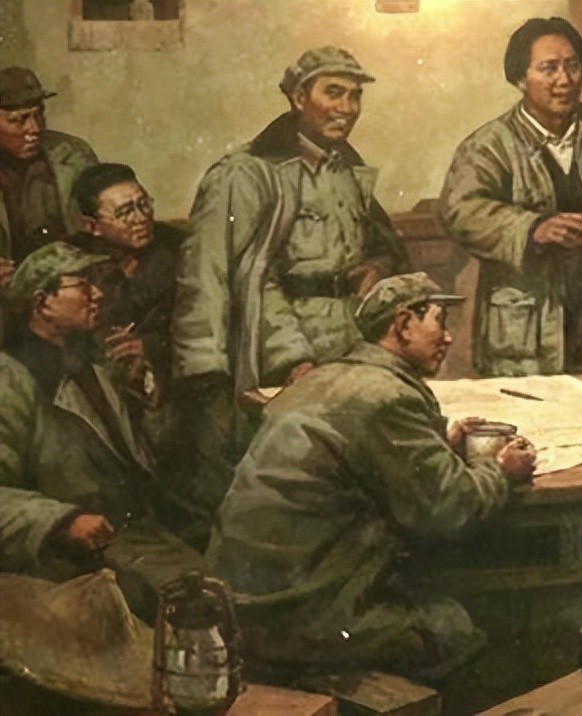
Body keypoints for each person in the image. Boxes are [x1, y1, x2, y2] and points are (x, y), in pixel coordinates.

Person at [207, 272, 538, 691]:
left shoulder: (321, 379)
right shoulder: (389, 397)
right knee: (456, 624)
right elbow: (451, 507)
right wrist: (501, 471)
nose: (449, 337)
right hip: (293, 617)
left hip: (239, 604)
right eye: (439, 321)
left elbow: (364, 451)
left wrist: (439, 441)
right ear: (403, 324)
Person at [170, 46, 407, 522]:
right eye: (333, 93)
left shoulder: (346, 168)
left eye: (355, 96)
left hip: (347, 345)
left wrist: (377, 267)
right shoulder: (247, 172)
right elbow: (219, 276)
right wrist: (287, 359)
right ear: (299, 98)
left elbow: (384, 244)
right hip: (273, 353)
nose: (346, 108)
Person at [441, 16, 582, 376]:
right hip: (525, 332)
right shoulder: (489, 145)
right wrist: (532, 229)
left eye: (573, 66)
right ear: (520, 79)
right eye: (548, 69)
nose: (564, 80)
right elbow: (460, 211)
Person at [0, 242, 196, 589]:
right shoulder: (9, 380)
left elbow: (151, 459)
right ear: (42, 304)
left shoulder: (95, 364)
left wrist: (145, 387)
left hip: (138, 534)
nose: (98, 294)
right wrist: (63, 522)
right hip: (66, 559)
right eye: (82, 284)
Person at [68, 162, 184, 404]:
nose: (141, 218)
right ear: (92, 226)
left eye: (144, 204)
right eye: (125, 212)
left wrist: (150, 347)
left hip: (170, 381)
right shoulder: (72, 262)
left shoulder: (178, 249)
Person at [0, 66, 98, 269]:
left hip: (72, 274)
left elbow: (101, 220)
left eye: (39, 115)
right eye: (18, 120)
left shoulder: (74, 154)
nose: (34, 128)